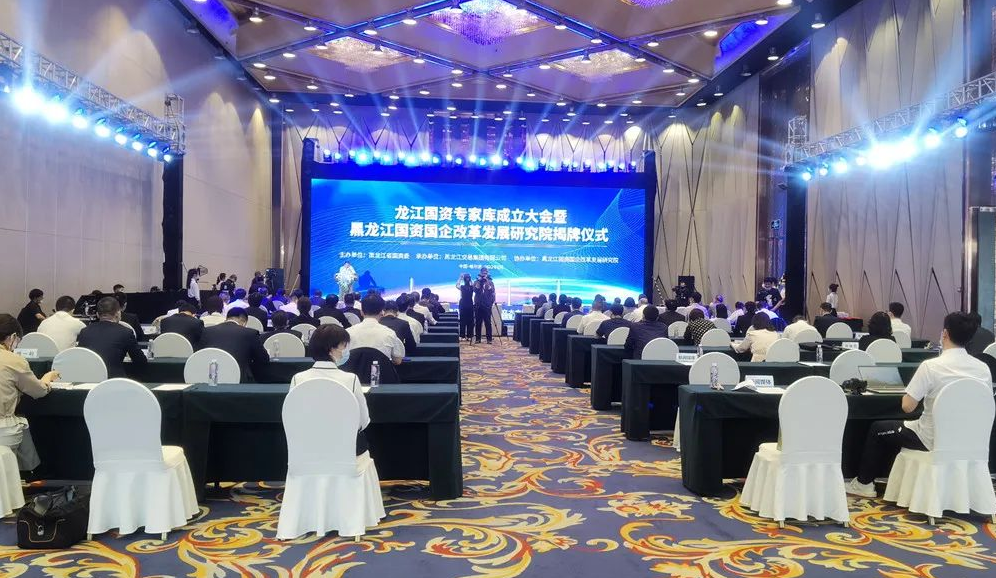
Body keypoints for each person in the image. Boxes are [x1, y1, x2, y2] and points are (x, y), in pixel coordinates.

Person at [846, 312, 991, 498]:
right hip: (970, 439)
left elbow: (907, 407)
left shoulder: (931, 366)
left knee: (878, 428)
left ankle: (864, 484)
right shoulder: (983, 369)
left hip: (932, 439)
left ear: (945, 334)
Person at [290, 324, 370, 455]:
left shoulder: (298, 379)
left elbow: (293, 417)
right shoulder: (351, 379)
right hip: (345, 450)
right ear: (331, 349)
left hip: (307, 450)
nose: (346, 350)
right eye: (344, 346)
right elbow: (362, 420)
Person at [0, 314, 58, 470]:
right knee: (22, 429)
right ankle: (29, 474)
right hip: (3, 430)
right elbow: (38, 391)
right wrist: (47, 378)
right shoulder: (13, 360)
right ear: (13, 337)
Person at [77, 297, 147, 378]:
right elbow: (140, 361)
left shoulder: (85, 331)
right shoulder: (125, 332)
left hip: (88, 379)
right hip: (114, 381)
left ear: (97, 314)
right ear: (118, 313)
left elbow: (80, 358)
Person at [197, 308, 271, 382]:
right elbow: (263, 359)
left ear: (227, 318)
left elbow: (199, 354)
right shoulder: (250, 333)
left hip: (210, 378)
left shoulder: (207, 331)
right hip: (240, 380)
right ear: (244, 322)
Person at [346, 294, 404, 364]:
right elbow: (398, 361)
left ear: (361, 312)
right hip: (381, 370)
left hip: (353, 371)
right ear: (382, 312)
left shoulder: (348, 333)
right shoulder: (389, 333)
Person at [473, 267, 496, 344]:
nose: (484, 274)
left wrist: (487, 281)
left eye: (485, 273)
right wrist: (479, 281)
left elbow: (492, 291)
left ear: (487, 273)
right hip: (478, 305)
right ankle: (478, 339)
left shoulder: (490, 282)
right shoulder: (476, 281)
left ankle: (489, 339)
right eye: (483, 273)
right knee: (478, 323)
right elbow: (475, 290)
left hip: (487, 305)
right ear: (480, 273)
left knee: (488, 323)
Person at [457, 273, 475, 341]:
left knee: (463, 320)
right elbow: (473, 284)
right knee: (469, 321)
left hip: (464, 304)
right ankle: (469, 336)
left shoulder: (463, 287)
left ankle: (462, 336)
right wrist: (470, 279)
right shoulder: (471, 287)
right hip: (469, 304)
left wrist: (460, 278)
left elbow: (457, 285)